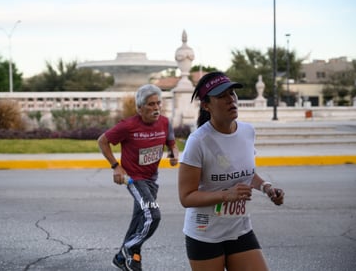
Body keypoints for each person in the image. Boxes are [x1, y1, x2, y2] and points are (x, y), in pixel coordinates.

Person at [178, 71, 284, 271]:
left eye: (232, 94)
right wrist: (226, 195)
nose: (231, 100)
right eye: (221, 96)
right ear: (206, 105)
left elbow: (245, 173)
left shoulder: (247, 131)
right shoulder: (198, 141)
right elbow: (186, 197)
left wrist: (266, 187)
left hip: (239, 228)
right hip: (204, 233)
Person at [97, 84, 179, 271]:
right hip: (134, 178)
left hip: (152, 179)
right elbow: (102, 141)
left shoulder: (165, 123)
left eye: (158, 103)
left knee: (140, 218)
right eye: (150, 104)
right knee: (153, 215)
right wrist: (116, 166)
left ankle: (123, 258)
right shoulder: (128, 126)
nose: (156, 108)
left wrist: (174, 154)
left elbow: (172, 143)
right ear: (139, 108)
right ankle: (129, 249)